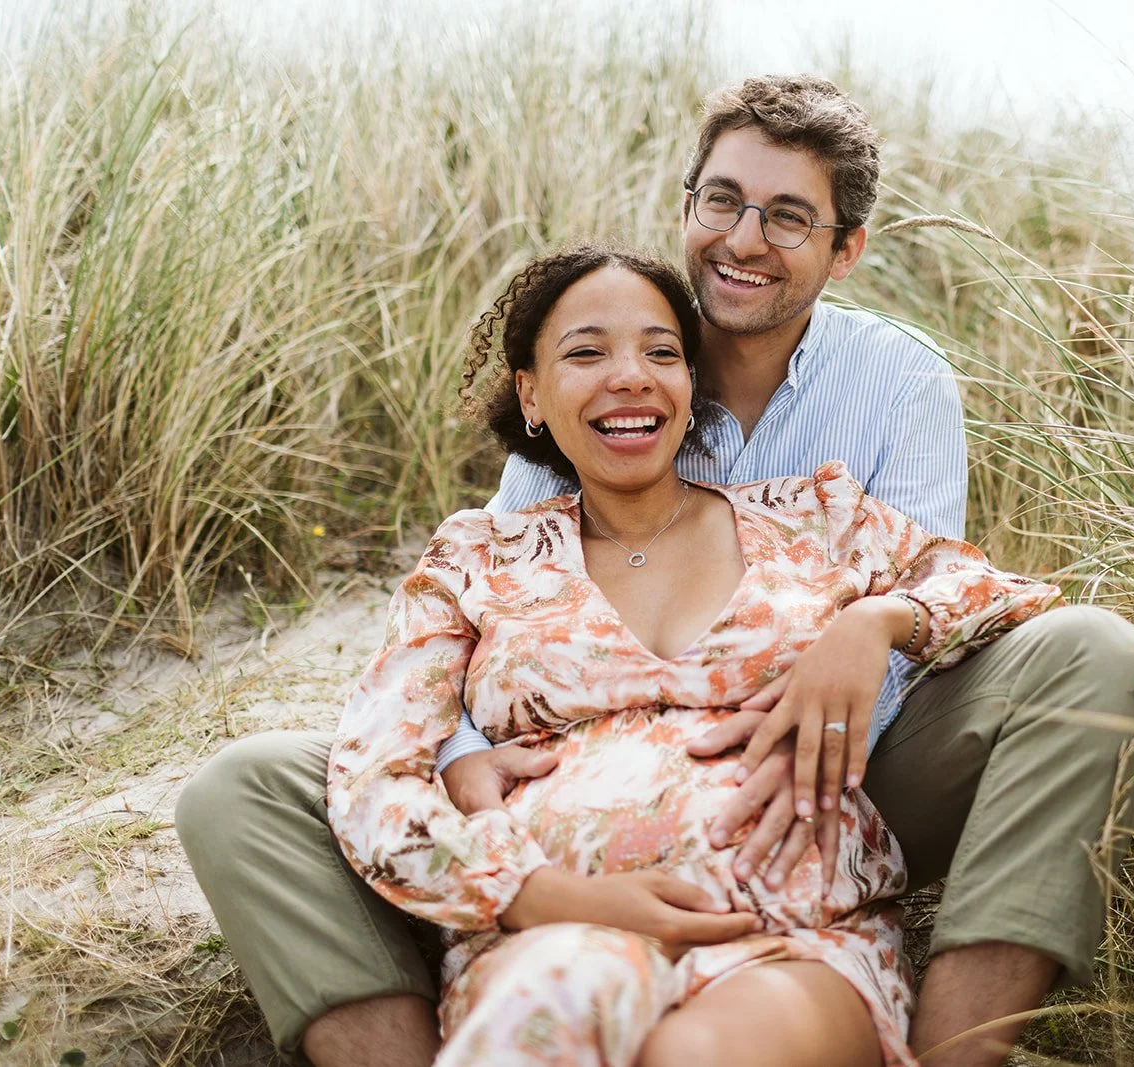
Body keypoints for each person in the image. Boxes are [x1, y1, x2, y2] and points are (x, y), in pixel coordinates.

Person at [176, 75, 1134, 1067]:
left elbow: (974, 588)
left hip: (822, 818)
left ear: (844, 247)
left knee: (1098, 654)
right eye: (723, 201)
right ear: (532, 394)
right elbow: (429, 702)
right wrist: (475, 775)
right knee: (258, 794)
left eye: (787, 217)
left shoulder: (834, 480)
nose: (742, 239)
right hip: (559, 907)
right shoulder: (490, 544)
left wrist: (873, 626)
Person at [332, 242, 1068, 1066]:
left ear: (691, 391)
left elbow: (1003, 591)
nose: (632, 375)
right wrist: (535, 894)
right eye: (587, 352)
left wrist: (877, 623)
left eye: (661, 352)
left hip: (788, 932)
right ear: (532, 395)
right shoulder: (476, 556)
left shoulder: (813, 515)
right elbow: (373, 775)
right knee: (542, 1018)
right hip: (560, 932)